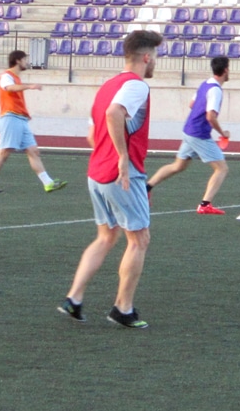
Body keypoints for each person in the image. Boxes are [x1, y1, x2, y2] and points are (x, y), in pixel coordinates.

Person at [61, 29, 164, 329]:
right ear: (146, 57)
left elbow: (92, 134)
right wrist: (121, 158)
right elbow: (113, 113)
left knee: (106, 237)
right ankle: (123, 308)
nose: (156, 61)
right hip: (121, 174)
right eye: (156, 56)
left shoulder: (107, 85)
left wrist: (109, 156)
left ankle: (74, 298)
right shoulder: (136, 86)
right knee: (139, 239)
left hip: (97, 173)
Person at [147, 55, 231, 214]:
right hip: (199, 134)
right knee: (222, 168)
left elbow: (192, 104)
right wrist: (223, 133)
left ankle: (146, 188)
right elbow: (210, 116)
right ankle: (205, 204)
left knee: (178, 166)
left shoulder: (205, 84)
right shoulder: (215, 90)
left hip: (189, 130)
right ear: (226, 70)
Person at [0, 50, 65, 194]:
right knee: (4, 152)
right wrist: (30, 86)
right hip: (11, 117)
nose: (27, 62)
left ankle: (48, 183)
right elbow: (9, 88)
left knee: (33, 151)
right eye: (25, 60)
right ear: (18, 61)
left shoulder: (15, 78)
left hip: (20, 119)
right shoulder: (6, 76)